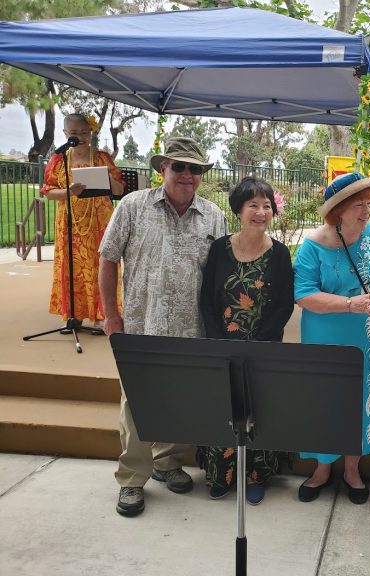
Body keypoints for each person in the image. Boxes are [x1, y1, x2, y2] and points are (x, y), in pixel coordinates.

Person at [99, 137, 227, 517]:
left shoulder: (214, 215)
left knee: (177, 399)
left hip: (192, 330)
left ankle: (166, 462)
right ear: (163, 169)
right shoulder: (133, 207)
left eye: (195, 169)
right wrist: (111, 316)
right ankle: (132, 480)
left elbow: (219, 274)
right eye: (179, 167)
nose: (187, 175)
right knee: (137, 405)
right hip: (141, 325)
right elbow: (107, 260)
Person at [293, 171, 370, 505]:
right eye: (358, 204)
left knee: (361, 399)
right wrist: (351, 304)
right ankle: (323, 468)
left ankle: (353, 469)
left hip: (367, 337)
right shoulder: (312, 245)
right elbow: (303, 294)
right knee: (324, 401)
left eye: (369, 202)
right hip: (324, 336)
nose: (367, 210)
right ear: (338, 209)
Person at [198, 177, 294, 504]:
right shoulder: (220, 249)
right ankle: (220, 474)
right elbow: (207, 300)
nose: (261, 212)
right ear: (239, 209)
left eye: (267, 205)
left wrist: (259, 343)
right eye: (253, 205)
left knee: (259, 409)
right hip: (221, 346)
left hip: (262, 350)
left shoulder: (280, 254)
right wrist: (218, 339)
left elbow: (283, 304)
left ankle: (256, 475)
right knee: (222, 407)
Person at [41, 113, 124, 332]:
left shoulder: (102, 157)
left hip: (98, 222)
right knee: (71, 267)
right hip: (70, 223)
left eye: (85, 132)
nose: (80, 137)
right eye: (74, 133)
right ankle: (74, 316)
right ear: (65, 134)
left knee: (100, 266)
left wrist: (107, 178)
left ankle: (102, 315)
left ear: (91, 133)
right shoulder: (58, 160)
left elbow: (120, 190)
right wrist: (67, 192)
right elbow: (48, 192)